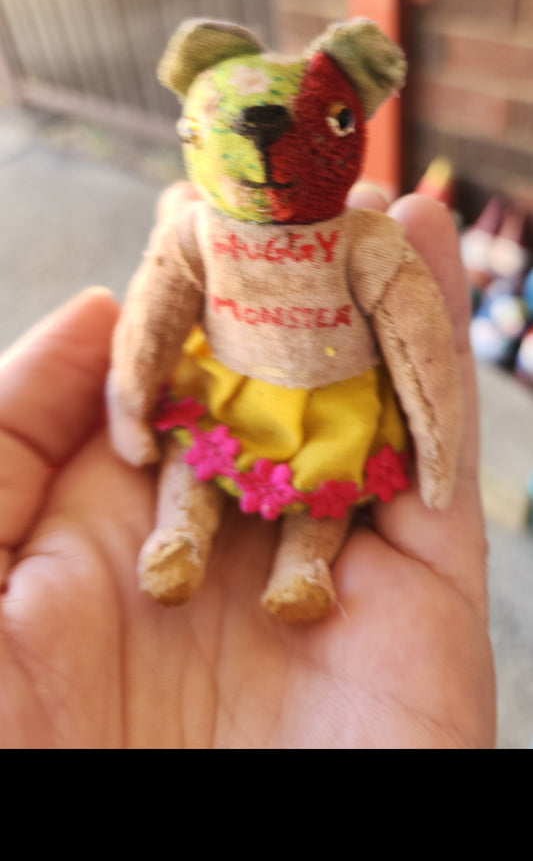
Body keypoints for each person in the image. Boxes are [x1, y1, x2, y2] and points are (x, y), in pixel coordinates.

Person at [0, 186, 496, 748]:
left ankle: (302, 568)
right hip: (228, 386)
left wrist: (437, 448)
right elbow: (156, 316)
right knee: (196, 456)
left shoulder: (367, 242)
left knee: (327, 481)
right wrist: (129, 406)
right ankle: (179, 537)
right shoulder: (199, 229)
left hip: (333, 402)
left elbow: (417, 341)